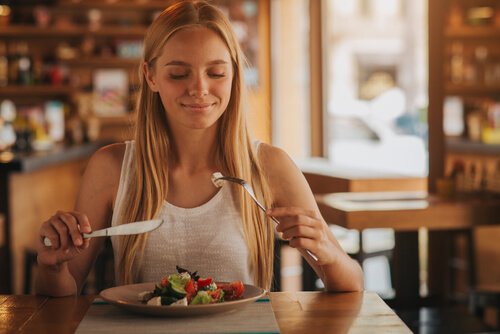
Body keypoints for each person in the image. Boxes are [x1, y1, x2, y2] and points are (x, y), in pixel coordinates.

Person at [35, 0, 363, 296]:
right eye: (178, 74)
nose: (199, 89)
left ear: (235, 74)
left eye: (216, 72)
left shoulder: (268, 166)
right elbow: (64, 295)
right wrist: (52, 266)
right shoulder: (112, 167)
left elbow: (352, 284)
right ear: (150, 77)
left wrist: (326, 250)